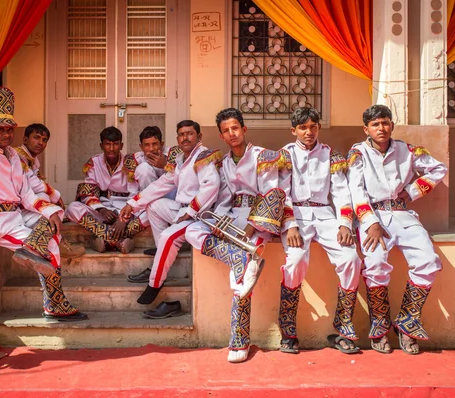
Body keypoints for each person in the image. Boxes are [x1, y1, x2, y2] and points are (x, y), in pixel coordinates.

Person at [0, 87, 87, 321]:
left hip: (15, 215)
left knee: (52, 226)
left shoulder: (14, 157)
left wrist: (51, 211)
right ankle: (55, 304)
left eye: (9, 130)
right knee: (49, 247)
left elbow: (25, 194)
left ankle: (34, 261)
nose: (5, 134)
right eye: (0, 130)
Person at [185, 108, 286, 363]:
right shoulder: (224, 162)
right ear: (221, 135)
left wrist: (251, 227)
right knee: (192, 229)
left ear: (244, 129)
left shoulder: (262, 156)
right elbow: (224, 198)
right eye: (226, 131)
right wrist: (220, 222)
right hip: (233, 214)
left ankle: (239, 341)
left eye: (235, 128)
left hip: (260, 219)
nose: (232, 133)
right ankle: (238, 256)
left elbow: (271, 193)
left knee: (239, 280)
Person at [347, 104, 447, 354]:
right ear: (366, 129)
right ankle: (379, 328)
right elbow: (355, 190)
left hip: (402, 214)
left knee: (428, 262)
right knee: (376, 265)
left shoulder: (407, 150)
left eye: (385, 122)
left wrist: (412, 191)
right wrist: (370, 223)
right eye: (375, 124)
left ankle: (407, 323)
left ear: (391, 124)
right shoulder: (358, 153)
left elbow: (438, 169)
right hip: (373, 216)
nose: (381, 128)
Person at [278, 107, 361, 355]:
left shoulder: (331, 155)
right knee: (296, 261)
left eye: (313, 126)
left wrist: (345, 223)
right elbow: (281, 192)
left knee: (351, 259)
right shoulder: (285, 155)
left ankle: (343, 328)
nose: (309, 131)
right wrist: (290, 224)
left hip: (325, 215)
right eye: (303, 127)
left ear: (319, 128)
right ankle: (288, 329)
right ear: (294, 130)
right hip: (297, 216)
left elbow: (341, 192)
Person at [120, 120, 221, 318]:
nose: (185, 137)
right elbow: (161, 185)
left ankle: (155, 283)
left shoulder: (203, 156)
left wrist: (190, 211)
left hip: (199, 216)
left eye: (190, 133)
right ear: (177, 139)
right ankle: (162, 255)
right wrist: (132, 204)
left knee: (168, 235)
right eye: (181, 134)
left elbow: (211, 185)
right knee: (153, 205)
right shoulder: (183, 160)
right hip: (182, 210)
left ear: (199, 137)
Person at [65, 127, 148, 254]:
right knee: (72, 208)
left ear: (121, 145)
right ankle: (118, 240)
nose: (111, 148)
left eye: (115, 144)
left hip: (126, 208)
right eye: (107, 144)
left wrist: (123, 219)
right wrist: (101, 209)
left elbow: (134, 193)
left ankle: (103, 239)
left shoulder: (130, 162)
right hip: (104, 208)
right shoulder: (94, 162)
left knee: (150, 211)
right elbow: (88, 192)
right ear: (101, 145)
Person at [15, 123, 85, 259]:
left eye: (44, 140)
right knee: (49, 207)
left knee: (49, 206)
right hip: (11, 207)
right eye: (36, 138)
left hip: (23, 202)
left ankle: (55, 242)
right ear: (25, 140)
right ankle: (56, 244)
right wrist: (54, 194)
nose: (40, 143)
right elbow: (32, 183)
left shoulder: (32, 159)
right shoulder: (17, 157)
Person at [123, 125, 179, 256]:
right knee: (144, 169)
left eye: (155, 144)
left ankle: (165, 247)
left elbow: (182, 180)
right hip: (147, 202)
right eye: (147, 145)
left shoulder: (173, 154)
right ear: (141, 147)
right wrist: (131, 206)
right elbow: (133, 191)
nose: (151, 149)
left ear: (162, 144)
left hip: (173, 200)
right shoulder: (135, 160)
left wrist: (165, 165)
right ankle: (161, 247)